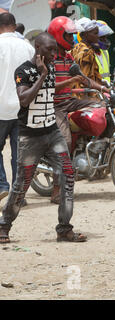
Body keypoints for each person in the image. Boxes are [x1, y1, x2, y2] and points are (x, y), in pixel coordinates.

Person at [0, 32, 87, 244]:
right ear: (38, 49)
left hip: (52, 132)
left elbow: (48, 89)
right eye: (50, 50)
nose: (54, 53)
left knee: (68, 175)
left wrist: (67, 82)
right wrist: (41, 74)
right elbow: (24, 99)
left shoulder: (50, 67)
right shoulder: (24, 70)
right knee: (22, 185)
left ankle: (64, 229)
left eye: (55, 49)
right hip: (30, 137)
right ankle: (3, 226)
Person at [47, 16, 103, 204]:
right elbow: (47, 88)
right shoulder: (50, 58)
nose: (72, 40)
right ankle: (56, 189)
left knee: (100, 107)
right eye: (69, 37)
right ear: (57, 35)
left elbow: (83, 79)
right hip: (54, 105)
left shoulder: (68, 56)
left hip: (69, 101)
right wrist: (70, 82)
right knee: (64, 141)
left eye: (73, 36)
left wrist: (103, 89)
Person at [0, 13, 35, 205]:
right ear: (14, 26)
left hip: (0, 108)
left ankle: (2, 186)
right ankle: (18, 194)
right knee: (19, 153)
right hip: (23, 108)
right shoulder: (27, 47)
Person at [71, 17, 108, 96]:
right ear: (84, 35)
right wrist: (102, 88)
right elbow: (85, 80)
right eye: (95, 33)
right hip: (86, 95)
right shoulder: (86, 53)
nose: (98, 36)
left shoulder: (77, 47)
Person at [94, 20, 114, 85]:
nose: (105, 40)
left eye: (105, 37)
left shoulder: (105, 52)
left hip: (106, 89)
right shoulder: (87, 53)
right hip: (95, 89)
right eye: (102, 37)